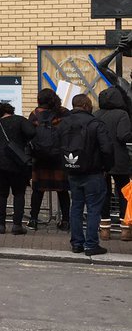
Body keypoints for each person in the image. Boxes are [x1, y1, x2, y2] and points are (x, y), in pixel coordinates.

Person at [58, 93, 113, 256]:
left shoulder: (63, 123)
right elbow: (107, 149)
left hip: (72, 171)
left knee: (76, 207)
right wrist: (107, 167)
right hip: (93, 172)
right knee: (94, 209)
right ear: (86, 105)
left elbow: (57, 145)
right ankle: (91, 244)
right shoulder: (95, 123)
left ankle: (77, 243)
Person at [0, 102, 35, 235]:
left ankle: (0, 225)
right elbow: (32, 132)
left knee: (1, 194)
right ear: (10, 110)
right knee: (19, 194)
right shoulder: (20, 120)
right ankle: (16, 225)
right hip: (17, 163)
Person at [28, 88, 70, 231]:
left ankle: (33, 220)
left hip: (40, 158)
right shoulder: (63, 113)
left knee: (38, 191)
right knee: (63, 191)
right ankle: (65, 221)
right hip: (59, 157)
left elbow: (30, 135)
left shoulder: (34, 115)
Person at [94, 86, 132, 238]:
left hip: (100, 159)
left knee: (104, 193)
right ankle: (126, 229)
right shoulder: (122, 114)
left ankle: (104, 229)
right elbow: (124, 136)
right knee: (123, 192)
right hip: (119, 159)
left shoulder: (96, 114)